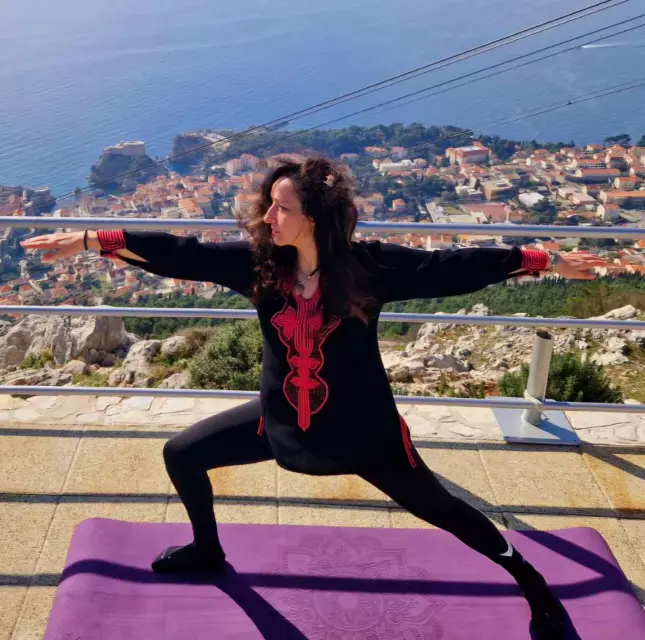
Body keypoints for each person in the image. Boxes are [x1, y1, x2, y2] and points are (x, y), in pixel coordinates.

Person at [22, 155, 598, 639]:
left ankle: (534, 585)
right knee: (182, 453)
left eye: (282, 208)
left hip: (364, 434)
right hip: (281, 420)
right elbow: (183, 251)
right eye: (268, 205)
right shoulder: (260, 266)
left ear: (314, 218)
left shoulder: (369, 268)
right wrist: (92, 239)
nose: (267, 217)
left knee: (445, 512)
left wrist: (546, 260)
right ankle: (206, 549)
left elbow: (453, 267)